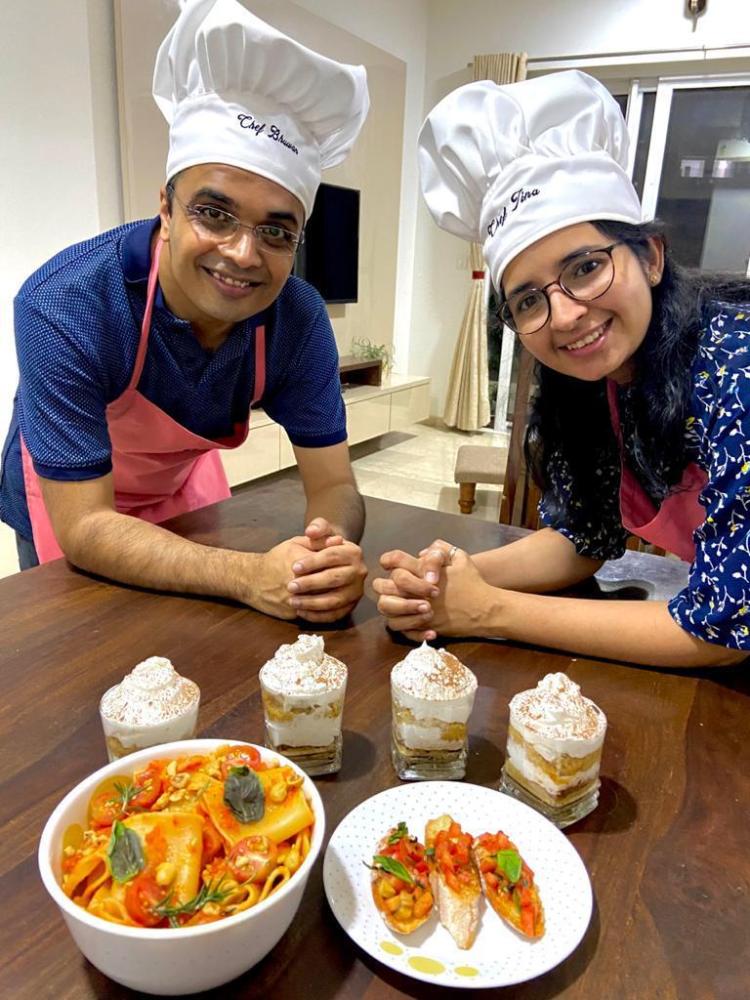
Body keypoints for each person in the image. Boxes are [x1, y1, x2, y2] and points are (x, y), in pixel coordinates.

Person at [0, 0, 369, 624]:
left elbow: (334, 484)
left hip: (179, 489)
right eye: (214, 214)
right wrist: (250, 575)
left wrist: (324, 555)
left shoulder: (298, 321)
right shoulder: (67, 302)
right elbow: (87, 526)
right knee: (83, 658)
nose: (243, 255)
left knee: (198, 645)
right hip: (72, 500)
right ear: (165, 209)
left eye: (277, 232)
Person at [373, 70, 750, 668]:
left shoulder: (737, 368)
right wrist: (448, 576)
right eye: (528, 300)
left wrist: (486, 610)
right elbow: (583, 539)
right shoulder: (596, 385)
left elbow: (725, 628)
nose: (566, 315)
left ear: (650, 256)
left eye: (585, 268)